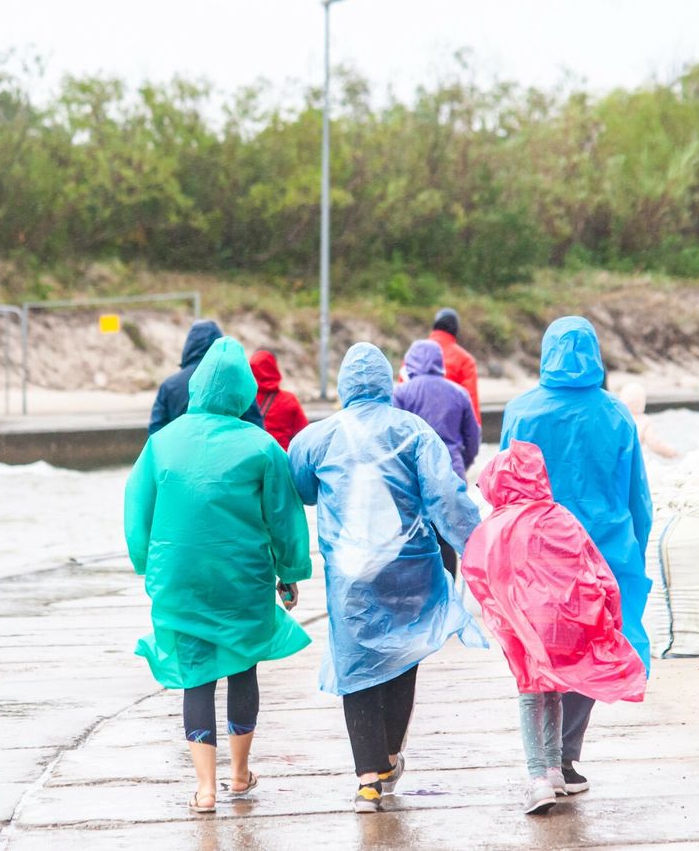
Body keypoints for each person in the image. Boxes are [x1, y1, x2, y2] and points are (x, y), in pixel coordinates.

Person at [288, 342, 484, 814]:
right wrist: (479, 546)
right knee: (404, 656)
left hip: (350, 575)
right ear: (385, 382)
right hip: (409, 569)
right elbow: (446, 497)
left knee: (356, 667)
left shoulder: (318, 437)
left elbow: (300, 487)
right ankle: (391, 756)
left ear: (343, 385)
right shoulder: (414, 432)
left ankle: (367, 781)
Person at [125, 337, 313, 815]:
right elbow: (284, 518)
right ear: (243, 392)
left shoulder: (161, 443)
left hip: (180, 578)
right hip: (242, 577)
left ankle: (204, 790)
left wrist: (149, 564)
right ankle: (238, 774)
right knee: (242, 664)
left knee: (196, 676)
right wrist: (289, 573)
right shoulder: (262, 446)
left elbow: (137, 513)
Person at [499, 316, 652, 796]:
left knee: (538, 652)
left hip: (536, 552)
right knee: (591, 648)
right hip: (603, 551)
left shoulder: (522, 412)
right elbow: (637, 495)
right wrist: (636, 549)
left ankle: (544, 762)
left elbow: (504, 486)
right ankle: (564, 757)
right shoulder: (616, 414)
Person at [461, 442, 647, 814]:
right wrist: (609, 618)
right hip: (566, 622)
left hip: (525, 624)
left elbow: (479, 573)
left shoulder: (498, 526)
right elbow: (598, 570)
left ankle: (538, 778)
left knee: (532, 692)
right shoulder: (560, 517)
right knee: (554, 691)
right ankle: (555, 767)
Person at [393, 339, 481, 578]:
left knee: (415, 538)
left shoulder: (400, 393)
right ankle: (448, 590)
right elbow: (472, 437)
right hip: (449, 472)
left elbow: (391, 437)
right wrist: (463, 462)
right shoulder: (459, 393)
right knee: (445, 538)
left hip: (412, 475)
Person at [149, 320, 263, 434]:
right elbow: (256, 427)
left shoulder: (169, 385)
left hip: (180, 448)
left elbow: (156, 429)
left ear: (189, 345)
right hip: (228, 448)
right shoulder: (234, 379)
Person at [427, 307, 481, 423]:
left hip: (416, 430)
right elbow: (470, 401)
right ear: (456, 329)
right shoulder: (465, 359)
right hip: (449, 428)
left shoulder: (413, 355)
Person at [249, 349, 310, 451]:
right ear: (274, 368)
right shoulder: (289, 400)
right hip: (281, 460)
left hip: (252, 460)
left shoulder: (245, 399)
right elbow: (305, 436)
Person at [618, 382, 678, 459]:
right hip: (633, 459)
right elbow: (653, 443)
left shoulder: (618, 417)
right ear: (642, 402)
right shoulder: (644, 420)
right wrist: (671, 452)